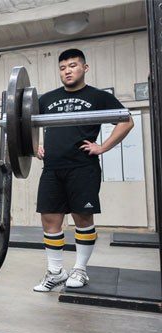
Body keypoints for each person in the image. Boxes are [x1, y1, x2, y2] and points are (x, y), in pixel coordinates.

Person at [33, 48, 134, 292]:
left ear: (84, 68)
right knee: (49, 219)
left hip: (82, 167)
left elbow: (126, 120)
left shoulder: (98, 97)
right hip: (52, 168)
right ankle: (56, 272)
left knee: (82, 218)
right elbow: (25, 123)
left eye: (73, 66)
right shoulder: (46, 99)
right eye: (63, 67)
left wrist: (103, 147)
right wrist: (34, 145)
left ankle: (80, 269)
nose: (67, 71)